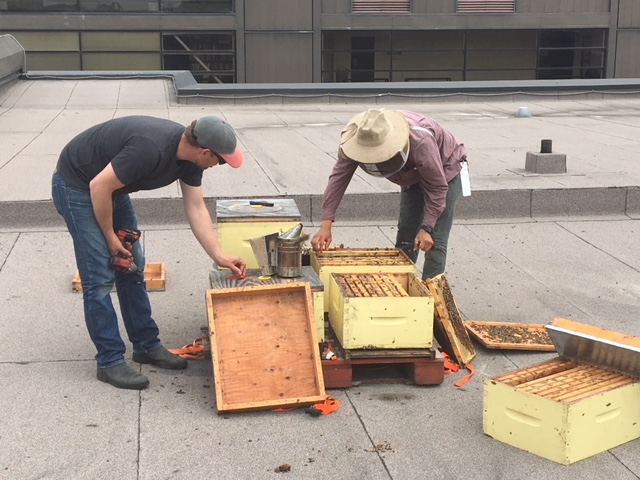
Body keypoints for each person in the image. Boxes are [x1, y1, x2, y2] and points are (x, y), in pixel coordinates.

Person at [52, 115, 247, 390]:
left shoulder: (190, 161)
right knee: (99, 278)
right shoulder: (150, 148)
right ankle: (109, 361)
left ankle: (146, 345)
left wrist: (218, 255)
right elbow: (99, 186)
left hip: (111, 189)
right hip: (79, 187)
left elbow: (196, 207)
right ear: (206, 152)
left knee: (132, 266)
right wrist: (110, 237)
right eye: (221, 160)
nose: (219, 165)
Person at [311, 108, 468, 280]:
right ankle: (402, 289)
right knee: (407, 236)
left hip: (446, 169)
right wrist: (326, 224)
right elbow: (338, 179)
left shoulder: (420, 141)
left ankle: (432, 298)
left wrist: (427, 227)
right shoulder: (360, 137)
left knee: (434, 241)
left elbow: (437, 188)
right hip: (412, 175)